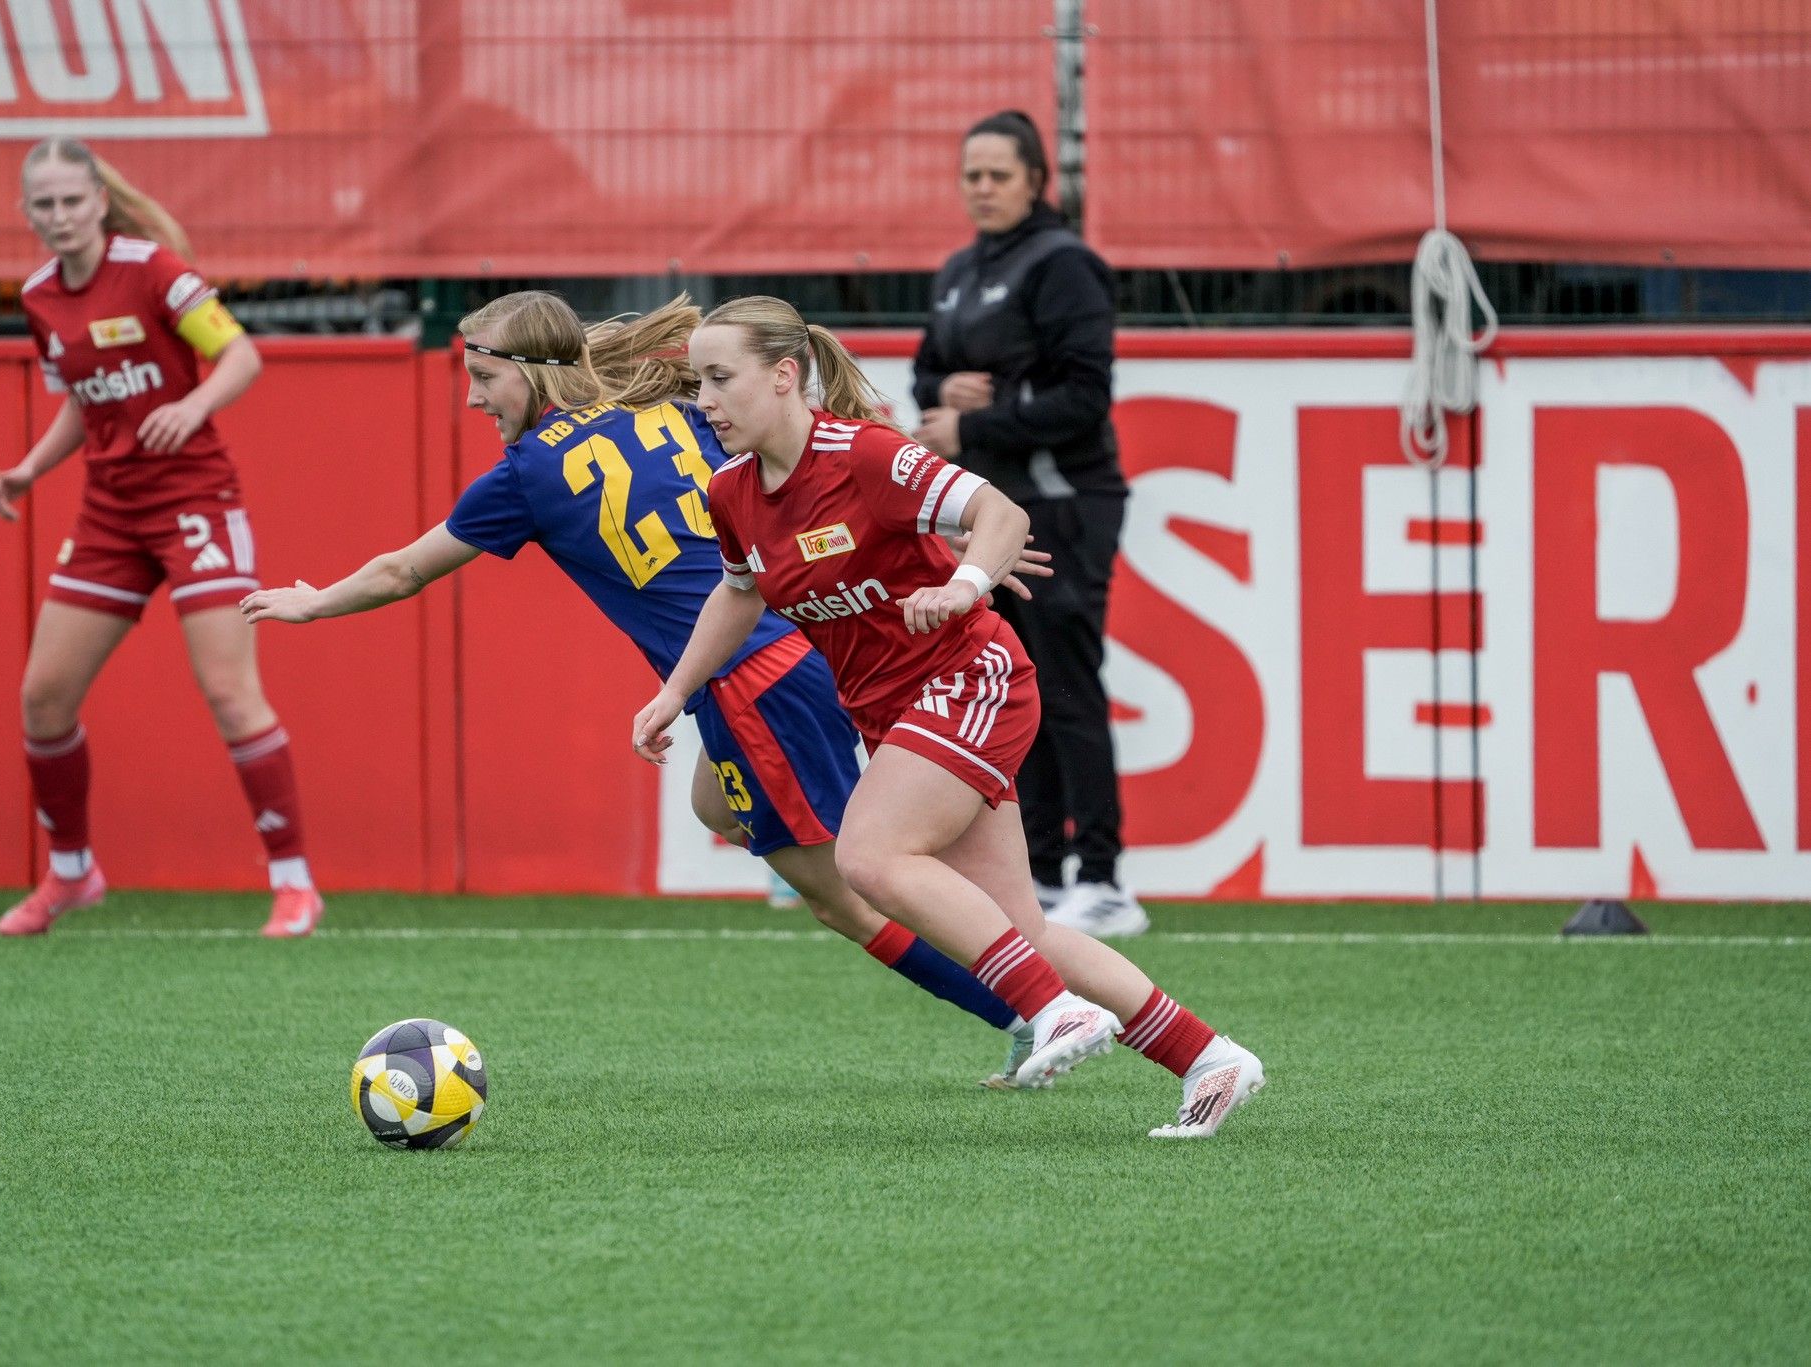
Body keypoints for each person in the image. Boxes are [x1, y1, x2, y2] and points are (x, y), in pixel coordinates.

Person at [240, 290, 1047, 1082]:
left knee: (848, 892)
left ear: (533, 372)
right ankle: (1021, 974)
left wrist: (315, 603)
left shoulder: (527, 470)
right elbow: (815, 468)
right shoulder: (674, 405)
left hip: (749, 678)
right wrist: (947, 532)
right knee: (719, 805)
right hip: (792, 658)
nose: (474, 395)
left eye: (486, 376)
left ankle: (1024, 1008)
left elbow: (401, 570)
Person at [634, 297, 1263, 1135]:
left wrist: (963, 583)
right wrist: (675, 692)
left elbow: (1002, 516)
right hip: (896, 710)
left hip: (973, 676)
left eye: (719, 378)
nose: (703, 401)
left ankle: (1056, 1011)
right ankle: (1211, 1056)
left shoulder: (864, 455)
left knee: (869, 853)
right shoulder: (733, 492)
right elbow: (738, 592)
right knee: (1024, 930)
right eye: (696, 382)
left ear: (785, 375)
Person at [0, 138, 322, 938]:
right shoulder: (38, 296)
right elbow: (81, 398)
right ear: (26, 214)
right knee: (43, 697)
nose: (61, 216)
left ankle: (293, 881)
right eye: (45, 204)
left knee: (230, 692)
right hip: (109, 513)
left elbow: (240, 355)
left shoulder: (154, 269)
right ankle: (71, 873)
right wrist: (29, 469)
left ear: (100, 200)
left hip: (195, 500)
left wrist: (195, 405)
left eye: (73, 199)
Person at [911, 110, 1146, 939]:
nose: (981, 188)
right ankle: (1041, 870)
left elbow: (1084, 397)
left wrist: (977, 419)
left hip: (1065, 504)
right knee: (1017, 685)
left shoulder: (1065, 264)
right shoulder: (959, 270)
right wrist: (949, 398)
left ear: (1037, 179)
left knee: (1068, 682)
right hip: (991, 513)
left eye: (997, 174)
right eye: (970, 174)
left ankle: (1107, 876)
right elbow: (927, 374)